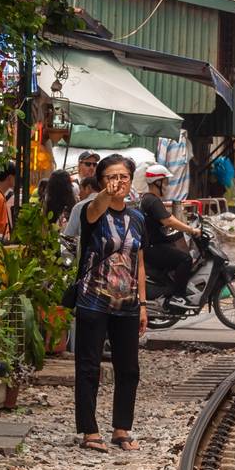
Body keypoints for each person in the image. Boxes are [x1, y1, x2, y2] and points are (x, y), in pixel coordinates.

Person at [70, 155, 147, 451]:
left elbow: (139, 261)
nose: (118, 182)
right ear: (101, 181)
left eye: (124, 177)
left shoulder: (138, 218)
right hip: (93, 300)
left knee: (129, 369)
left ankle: (121, 428)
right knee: (89, 367)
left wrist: (143, 304)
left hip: (127, 303)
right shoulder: (92, 212)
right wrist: (105, 193)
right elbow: (94, 209)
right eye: (111, 177)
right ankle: (89, 431)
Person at [140, 163, 198, 304]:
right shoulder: (152, 201)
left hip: (153, 245)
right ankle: (178, 296)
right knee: (185, 259)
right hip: (153, 247)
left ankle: (169, 289)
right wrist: (190, 229)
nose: (166, 186)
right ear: (157, 182)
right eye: (165, 182)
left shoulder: (149, 199)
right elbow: (168, 221)